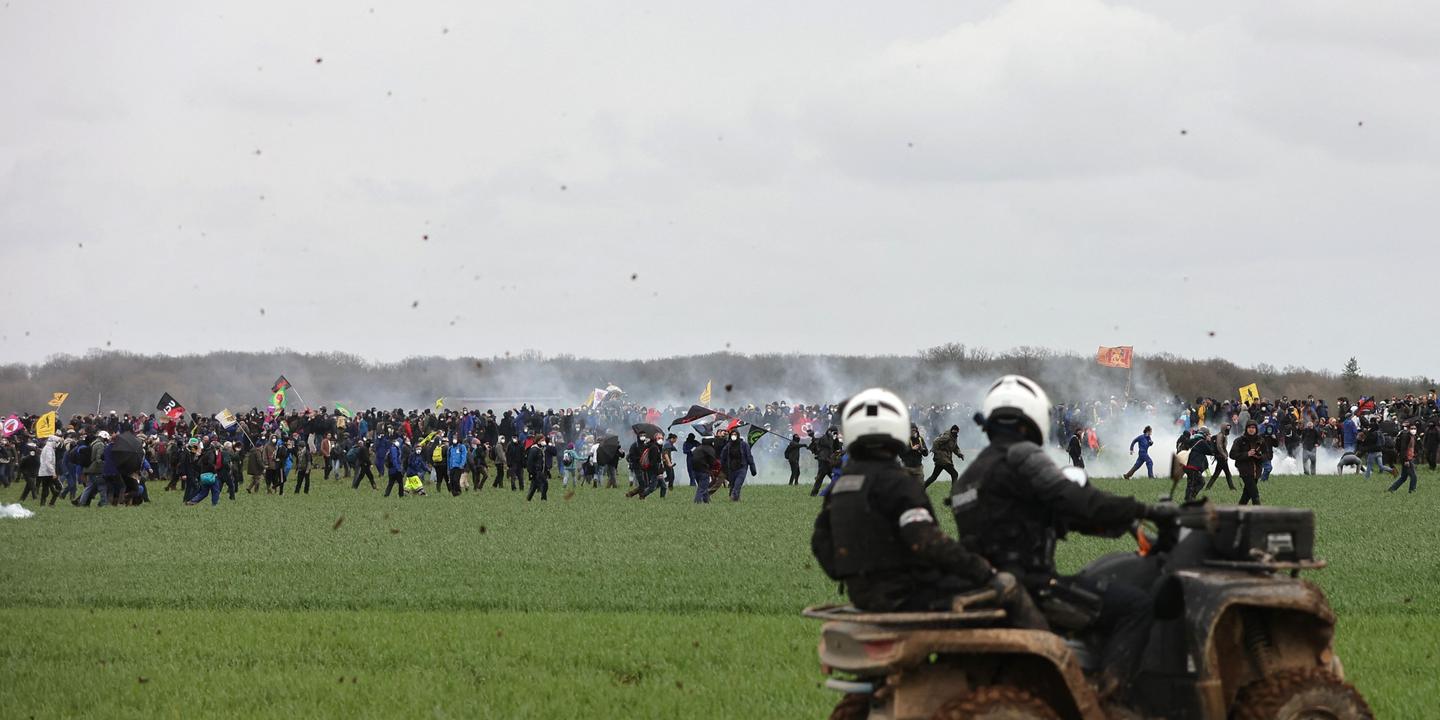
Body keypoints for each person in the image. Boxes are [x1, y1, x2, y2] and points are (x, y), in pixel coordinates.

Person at [951, 375, 1175, 698]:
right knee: (1135, 607)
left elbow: (1028, 516)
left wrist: (1094, 523)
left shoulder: (971, 475)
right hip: (1033, 585)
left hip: (991, 584)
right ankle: (1109, 699)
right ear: (1032, 416)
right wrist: (1145, 510)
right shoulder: (1022, 455)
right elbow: (1074, 498)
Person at [811, 388, 1033, 619]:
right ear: (897, 429)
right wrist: (985, 572)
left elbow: (821, 542)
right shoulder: (898, 483)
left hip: (862, 595)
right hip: (909, 593)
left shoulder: (840, 486)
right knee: (1014, 593)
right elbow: (926, 540)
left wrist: (854, 577)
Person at [1230, 421, 1271, 505]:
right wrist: (1247, 454)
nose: (1251, 429)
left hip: (1257, 471)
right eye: (1249, 427)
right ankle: (1258, 514)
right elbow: (1232, 454)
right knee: (1255, 495)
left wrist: (1259, 456)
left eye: (1253, 428)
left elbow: (1267, 455)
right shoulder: (1239, 440)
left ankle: (1238, 512)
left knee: (1246, 495)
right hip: (1245, 470)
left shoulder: (1261, 440)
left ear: (1256, 429)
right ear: (1246, 429)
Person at [721, 430, 756, 501]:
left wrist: (753, 468)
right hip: (731, 468)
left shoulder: (744, 445)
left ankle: (734, 495)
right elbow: (723, 457)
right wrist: (723, 467)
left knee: (738, 484)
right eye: (732, 434)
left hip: (742, 467)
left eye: (735, 434)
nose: (734, 436)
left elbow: (749, 456)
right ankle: (735, 499)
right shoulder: (728, 446)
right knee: (733, 485)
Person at [1388, 423, 1419, 494]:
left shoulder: (1413, 436)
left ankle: (1392, 489)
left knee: (1403, 477)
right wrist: (1406, 460)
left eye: (1415, 428)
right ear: (1408, 429)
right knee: (1413, 476)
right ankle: (1412, 491)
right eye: (1412, 428)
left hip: (1409, 457)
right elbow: (1403, 449)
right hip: (1406, 458)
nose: (1414, 430)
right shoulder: (1406, 436)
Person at [1206, 424, 1235, 491]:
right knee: (1227, 473)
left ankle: (1208, 487)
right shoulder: (1220, 435)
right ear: (1223, 428)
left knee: (1216, 474)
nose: (1228, 429)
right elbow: (1219, 446)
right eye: (1227, 428)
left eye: (1229, 428)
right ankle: (1232, 488)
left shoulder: (1224, 435)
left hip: (1221, 457)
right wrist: (1224, 455)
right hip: (1221, 457)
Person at [691, 437, 717, 503]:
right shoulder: (710, 449)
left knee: (703, 486)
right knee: (702, 488)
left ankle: (707, 501)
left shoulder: (698, 448)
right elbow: (712, 461)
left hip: (695, 471)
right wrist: (712, 470)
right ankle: (697, 501)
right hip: (704, 471)